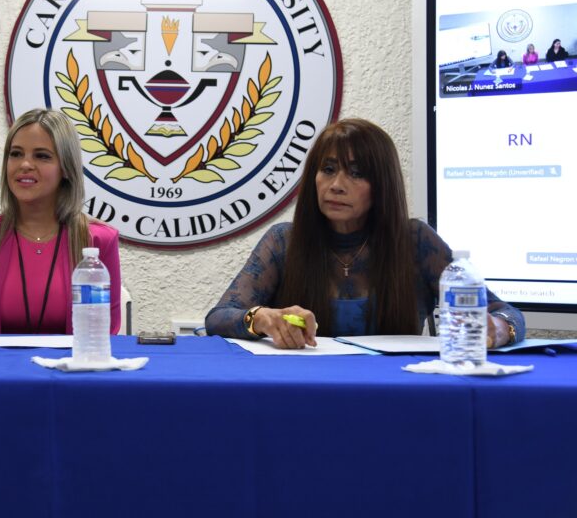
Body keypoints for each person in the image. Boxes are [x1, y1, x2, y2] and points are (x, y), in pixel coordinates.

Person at [205, 118, 525, 349]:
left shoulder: (414, 241)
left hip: (398, 391)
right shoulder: (283, 240)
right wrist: (262, 318)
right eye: (328, 169)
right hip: (306, 389)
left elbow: (506, 313)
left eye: (356, 173)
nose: (337, 185)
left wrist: (497, 329)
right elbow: (217, 318)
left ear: (382, 186)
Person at [0, 108, 121, 334]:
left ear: (66, 168)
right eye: (16, 154)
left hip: (73, 359)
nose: (25, 164)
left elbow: (103, 335)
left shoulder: (99, 240)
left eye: (42, 156)